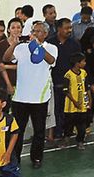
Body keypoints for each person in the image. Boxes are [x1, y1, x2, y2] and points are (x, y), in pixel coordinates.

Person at [4, 21, 58, 168]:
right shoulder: (22, 48)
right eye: (34, 31)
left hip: (39, 98)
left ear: (45, 34)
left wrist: (37, 46)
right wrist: (14, 44)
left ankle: (37, 158)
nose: (35, 33)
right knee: (17, 131)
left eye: (39, 31)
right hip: (20, 97)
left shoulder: (51, 48)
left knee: (39, 131)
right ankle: (15, 159)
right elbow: (6, 58)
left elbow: (51, 60)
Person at [47, 18, 83, 142]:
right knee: (56, 109)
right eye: (66, 28)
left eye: (70, 28)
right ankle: (58, 133)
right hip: (54, 82)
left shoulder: (74, 44)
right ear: (59, 29)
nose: (69, 30)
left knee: (69, 109)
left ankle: (68, 132)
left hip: (71, 83)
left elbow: (79, 63)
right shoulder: (50, 43)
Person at [63, 52, 91, 149]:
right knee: (68, 124)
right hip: (70, 105)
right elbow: (66, 91)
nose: (85, 63)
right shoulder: (68, 75)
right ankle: (66, 140)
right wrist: (74, 102)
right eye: (83, 61)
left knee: (82, 125)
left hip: (82, 104)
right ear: (77, 63)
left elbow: (87, 88)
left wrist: (88, 101)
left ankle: (80, 141)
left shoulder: (84, 73)